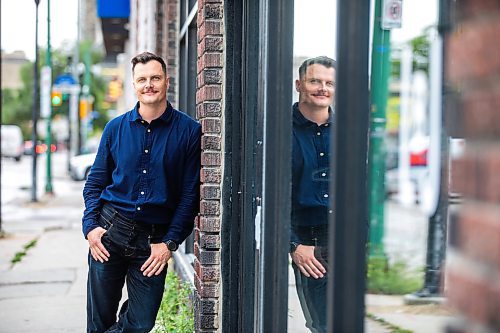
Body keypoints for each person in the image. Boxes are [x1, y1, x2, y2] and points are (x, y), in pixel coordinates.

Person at [82, 51, 201, 333]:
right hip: (109, 234)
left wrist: (170, 243)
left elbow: (189, 196)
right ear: (134, 85)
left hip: (152, 244)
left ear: (166, 81)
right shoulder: (114, 129)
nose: (149, 85)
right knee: (99, 322)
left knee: (140, 324)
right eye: (142, 79)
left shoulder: (189, 131)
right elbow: (95, 182)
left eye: (155, 78)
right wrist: (90, 227)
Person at [290, 56, 336, 333]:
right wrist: (294, 245)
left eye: (329, 82)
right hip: (308, 242)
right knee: (323, 323)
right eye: (315, 81)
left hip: (345, 239)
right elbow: (268, 194)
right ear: (299, 84)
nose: (323, 88)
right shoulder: (278, 128)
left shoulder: (348, 131)